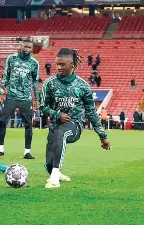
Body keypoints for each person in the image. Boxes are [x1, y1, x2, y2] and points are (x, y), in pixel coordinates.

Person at [40, 48, 111, 189]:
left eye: (62, 64)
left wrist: (103, 136)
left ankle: (54, 179)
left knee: (62, 133)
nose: (59, 67)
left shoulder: (83, 86)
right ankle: (56, 172)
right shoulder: (49, 83)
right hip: (54, 126)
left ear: (72, 65)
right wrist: (56, 115)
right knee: (49, 163)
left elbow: (91, 113)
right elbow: (42, 107)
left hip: (75, 125)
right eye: (57, 64)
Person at [0, 39, 39, 159]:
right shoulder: (11, 59)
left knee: (28, 126)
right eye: (25, 47)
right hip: (11, 96)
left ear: (32, 49)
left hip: (26, 98)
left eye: (29, 48)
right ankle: (0, 149)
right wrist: (1, 92)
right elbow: (6, 76)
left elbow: (35, 82)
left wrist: (36, 98)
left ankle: (27, 152)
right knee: (2, 122)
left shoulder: (34, 63)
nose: (27, 49)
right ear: (21, 46)